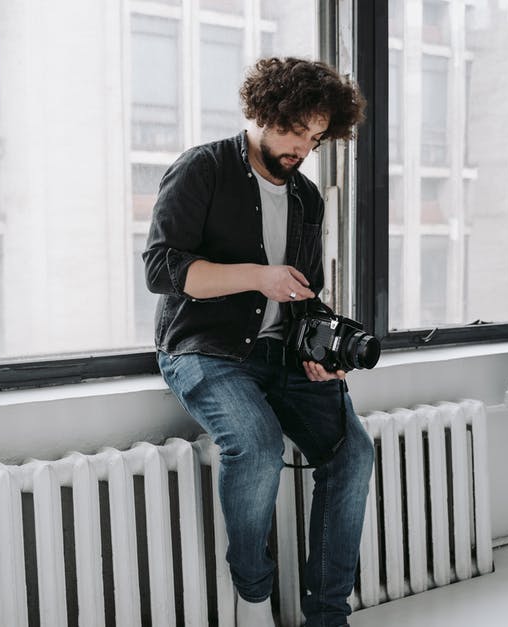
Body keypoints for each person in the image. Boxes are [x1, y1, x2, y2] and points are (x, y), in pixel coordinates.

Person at [143, 57, 372, 627]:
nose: (304, 147)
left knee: (354, 453)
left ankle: (327, 615)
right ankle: (253, 598)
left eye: (317, 137)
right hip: (204, 351)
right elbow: (161, 269)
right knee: (259, 445)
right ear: (264, 113)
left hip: (282, 353)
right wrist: (255, 275)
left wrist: (323, 350)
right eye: (297, 131)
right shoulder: (203, 169)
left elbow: (303, 293)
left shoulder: (307, 198)